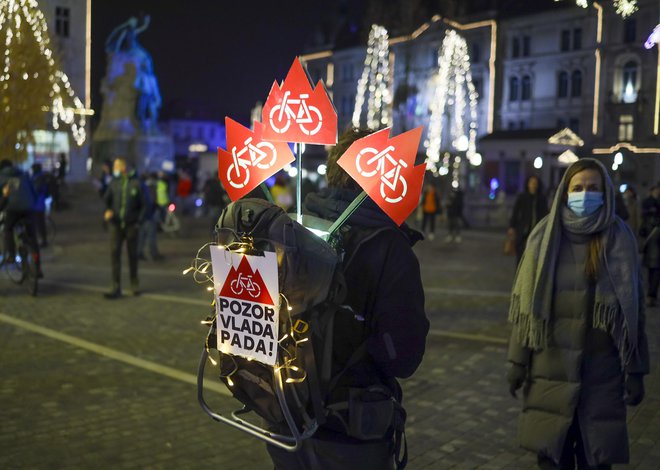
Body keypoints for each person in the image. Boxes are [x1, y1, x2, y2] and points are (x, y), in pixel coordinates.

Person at [267, 128, 430, 470]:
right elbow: (403, 357)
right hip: (352, 428)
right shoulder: (389, 247)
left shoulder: (293, 225)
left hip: (286, 415)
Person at [506, 158, 649, 470]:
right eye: (578, 188)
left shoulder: (619, 240)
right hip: (549, 377)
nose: (586, 194)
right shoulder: (544, 237)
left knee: (593, 461)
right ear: (564, 192)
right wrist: (517, 362)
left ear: (606, 192)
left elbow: (634, 315)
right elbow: (527, 311)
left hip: (601, 381)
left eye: (593, 188)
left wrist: (636, 370)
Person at [103, 158, 146, 298]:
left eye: (116, 166)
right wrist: (108, 210)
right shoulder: (113, 183)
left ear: (123, 167)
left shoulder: (137, 183)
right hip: (115, 224)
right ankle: (115, 285)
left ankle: (134, 283)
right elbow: (106, 200)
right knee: (114, 254)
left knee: (132, 255)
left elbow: (146, 205)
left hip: (131, 225)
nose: (114, 168)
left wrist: (138, 221)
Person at [0, 159, 42, 277]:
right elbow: (33, 191)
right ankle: (38, 267)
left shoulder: (1, 177)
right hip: (29, 208)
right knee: (32, 238)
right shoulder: (23, 174)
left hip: (12, 209)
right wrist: (32, 203)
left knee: (7, 229)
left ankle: (11, 255)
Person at [508, 175, 549, 266]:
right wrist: (512, 226)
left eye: (535, 183)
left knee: (534, 259)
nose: (533, 185)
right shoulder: (522, 197)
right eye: (531, 183)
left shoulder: (541, 198)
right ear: (528, 184)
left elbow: (546, 214)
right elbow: (515, 212)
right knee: (520, 258)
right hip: (523, 232)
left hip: (537, 232)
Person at [137, 173, 163, 262]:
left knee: (142, 236)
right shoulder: (150, 188)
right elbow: (150, 202)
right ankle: (154, 254)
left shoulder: (142, 187)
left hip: (142, 216)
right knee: (151, 236)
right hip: (149, 215)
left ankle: (139, 253)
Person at [30, 163, 50, 247]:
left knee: (39, 223)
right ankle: (43, 240)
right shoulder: (40, 177)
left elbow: (36, 189)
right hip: (39, 203)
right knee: (39, 223)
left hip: (37, 204)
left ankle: (43, 241)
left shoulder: (38, 177)